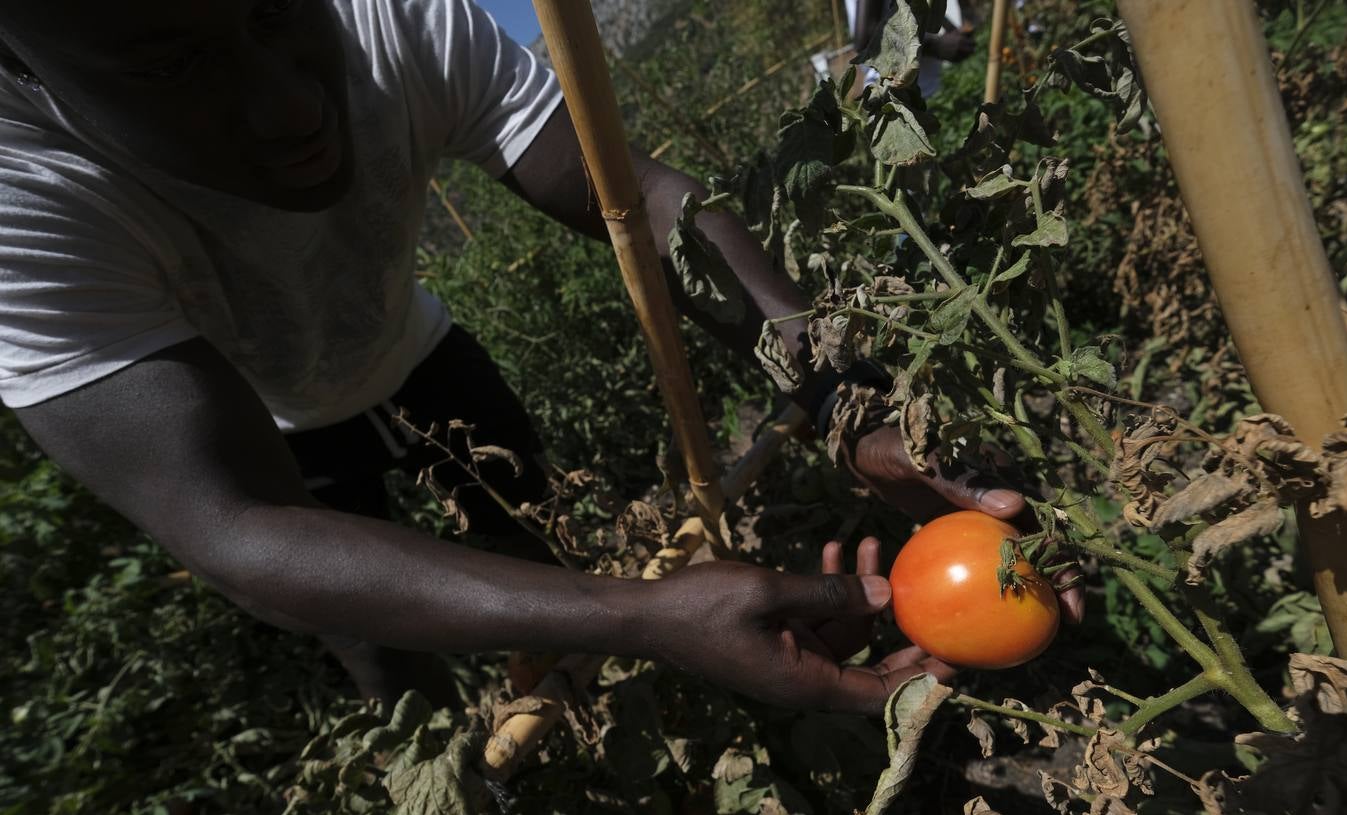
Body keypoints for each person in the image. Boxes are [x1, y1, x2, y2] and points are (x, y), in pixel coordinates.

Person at [0, 0, 1080, 715]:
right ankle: (468, 763)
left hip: (420, 354)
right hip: (275, 430)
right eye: (170, 65)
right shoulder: (21, 199)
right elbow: (238, 526)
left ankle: (565, 701)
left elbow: (640, 197)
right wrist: (642, 616)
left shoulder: (389, 19)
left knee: (528, 537)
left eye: (279, 9)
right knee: (380, 654)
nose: (289, 105)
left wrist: (849, 402)